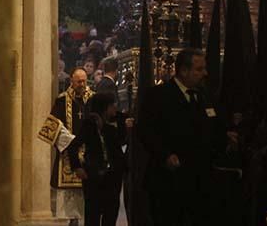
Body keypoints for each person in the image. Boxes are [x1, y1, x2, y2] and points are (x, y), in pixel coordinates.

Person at [138, 48, 231, 226]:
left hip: (200, 182)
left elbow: (214, 127)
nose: (205, 73)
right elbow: (145, 131)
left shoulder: (205, 97)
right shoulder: (158, 96)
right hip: (168, 183)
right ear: (183, 70)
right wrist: (165, 155)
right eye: (199, 69)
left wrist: (226, 137)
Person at [67, 92, 132, 226]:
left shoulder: (118, 120)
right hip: (94, 175)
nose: (115, 108)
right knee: (93, 215)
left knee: (111, 214)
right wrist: (77, 167)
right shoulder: (90, 124)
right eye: (112, 105)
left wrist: (126, 128)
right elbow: (73, 146)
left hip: (113, 176)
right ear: (104, 107)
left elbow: (119, 141)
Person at [48, 68, 93, 225]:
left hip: (90, 155)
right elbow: (51, 127)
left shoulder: (93, 99)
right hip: (68, 156)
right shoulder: (62, 100)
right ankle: (72, 221)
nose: (82, 84)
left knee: (90, 202)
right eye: (79, 81)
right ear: (71, 81)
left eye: (84, 81)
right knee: (71, 205)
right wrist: (71, 142)